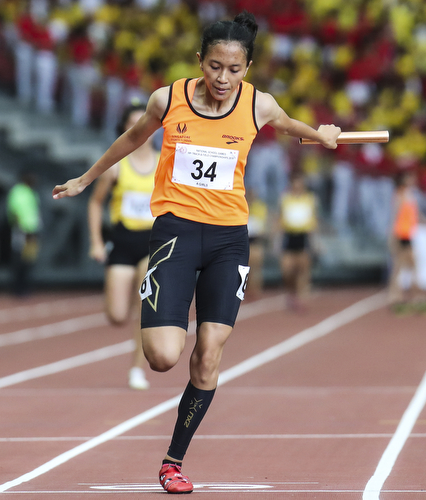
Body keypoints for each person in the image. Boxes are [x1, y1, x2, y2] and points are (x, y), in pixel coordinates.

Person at [53, 11, 341, 493]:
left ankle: (173, 461)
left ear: (247, 67)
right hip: (175, 234)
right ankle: (167, 310)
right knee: (164, 356)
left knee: (208, 355)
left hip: (230, 239)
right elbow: (131, 138)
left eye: (233, 69)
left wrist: (322, 135)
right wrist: (86, 179)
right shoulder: (168, 99)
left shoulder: (259, 105)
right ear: (199, 61)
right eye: (214, 67)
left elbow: (290, 125)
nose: (222, 78)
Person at [87, 102, 157, 391]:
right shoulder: (116, 166)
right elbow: (95, 202)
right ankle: (126, 297)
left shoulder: (166, 161)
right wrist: (96, 241)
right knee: (117, 316)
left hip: (154, 242)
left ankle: (137, 369)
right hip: (123, 240)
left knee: (145, 308)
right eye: (133, 121)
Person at [387, 171, 426, 315]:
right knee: (407, 265)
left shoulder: (410, 195)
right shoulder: (400, 195)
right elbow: (395, 215)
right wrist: (392, 236)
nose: (413, 179)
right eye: (410, 178)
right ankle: (410, 296)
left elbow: (417, 216)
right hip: (401, 234)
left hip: (407, 234)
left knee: (404, 266)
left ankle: (398, 295)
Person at [278, 170, 319, 312]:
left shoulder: (310, 199)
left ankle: (301, 299)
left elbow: (314, 220)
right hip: (289, 236)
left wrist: (315, 241)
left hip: (303, 236)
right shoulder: (285, 198)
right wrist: (275, 239)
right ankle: (291, 292)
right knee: (287, 270)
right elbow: (279, 218)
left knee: (303, 270)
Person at [7, 171, 40, 297]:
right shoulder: (18, 191)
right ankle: (17, 287)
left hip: (32, 230)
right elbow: (14, 209)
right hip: (22, 229)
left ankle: (26, 286)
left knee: (29, 259)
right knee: (19, 259)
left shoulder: (32, 192)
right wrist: (19, 227)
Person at [245, 188, 268, 301]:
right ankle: (246, 289)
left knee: (255, 268)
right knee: (244, 269)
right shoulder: (242, 207)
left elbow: (261, 226)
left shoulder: (260, 208)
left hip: (255, 241)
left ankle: (255, 290)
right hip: (244, 240)